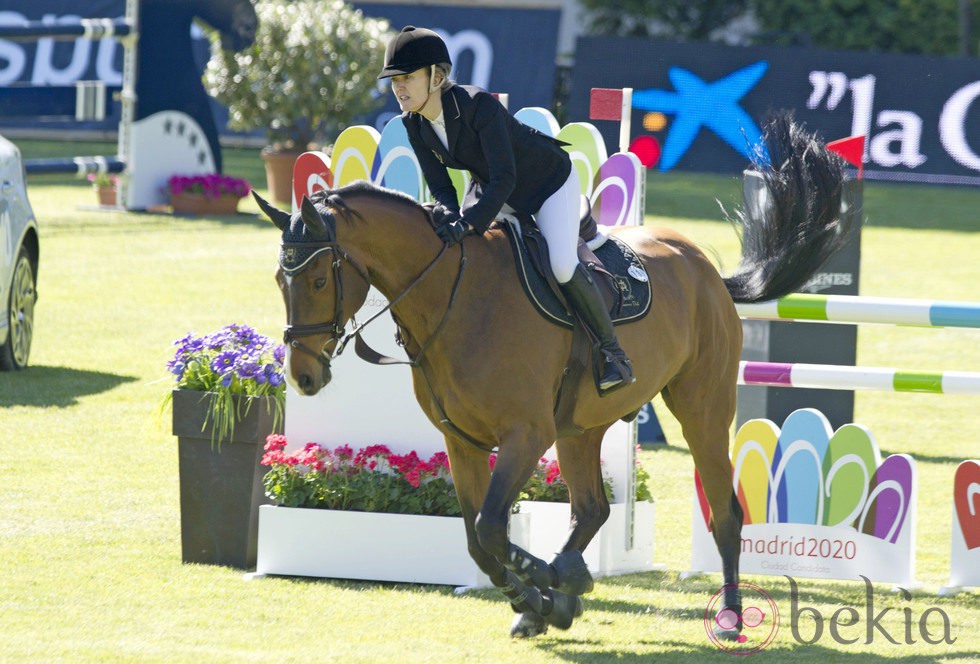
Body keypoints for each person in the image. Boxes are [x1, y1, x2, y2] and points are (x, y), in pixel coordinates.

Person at [377, 25, 634, 395]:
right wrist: (451, 217)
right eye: (394, 80)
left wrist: (469, 223)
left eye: (407, 77)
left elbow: (506, 177)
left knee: (561, 263)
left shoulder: (477, 105)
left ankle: (613, 353)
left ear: (437, 76)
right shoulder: (414, 124)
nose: (399, 87)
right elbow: (441, 185)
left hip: (547, 185)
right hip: (493, 187)